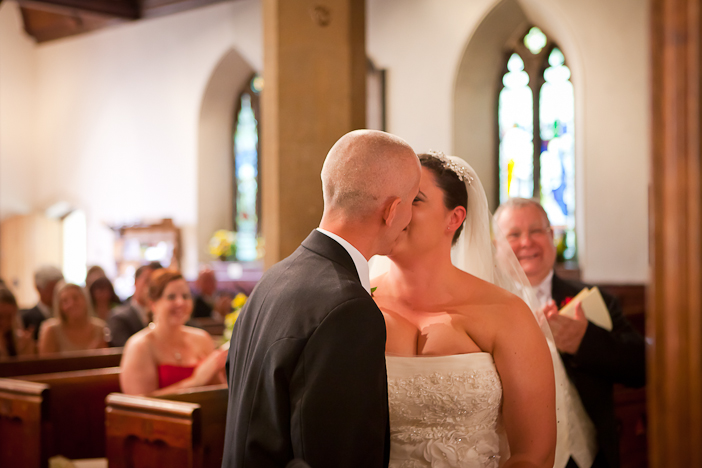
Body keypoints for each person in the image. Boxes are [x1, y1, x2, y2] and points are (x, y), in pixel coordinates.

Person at [221, 129, 421, 468]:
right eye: (413, 201)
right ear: (392, 210)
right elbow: (341, 454)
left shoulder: (273, 278)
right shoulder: (349, 309)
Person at [369, 152, 557, 468]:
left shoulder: (506, 313)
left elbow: (534, 455)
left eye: (414, 200)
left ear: (454, 218)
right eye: (391, 200)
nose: (394, 212)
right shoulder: (358, 304)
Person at [494, 198, 646, 468]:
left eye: (536, 231)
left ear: (552, 237)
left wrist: (584, 342)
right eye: (514, 235)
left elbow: (641, 366)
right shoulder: (486, 308)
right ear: (496, 246)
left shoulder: (594, 299)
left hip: (588, 457)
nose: (527, 242)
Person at [119, 269, 227, 396]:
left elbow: (217, 391)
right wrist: (194, 382)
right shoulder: (139, 346)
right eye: (171, 297)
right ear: (153, 304)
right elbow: (138, 402)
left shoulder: (202, 338)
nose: (180, 303)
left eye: (185, 296)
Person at [37, 282, 108, 354]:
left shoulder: (100, 328)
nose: (71, 304)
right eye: (65, 301)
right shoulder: (51, 331)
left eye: (75, 298)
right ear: (59, 306)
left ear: (85, 299)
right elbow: (45, 360)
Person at [107, 262, 162, 347]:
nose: (150, 287)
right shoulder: (119, 317)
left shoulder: (165, 315)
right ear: (136, 282)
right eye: (147, 281)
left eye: (155, 283)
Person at [20, 265, 64, 340]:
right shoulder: (26, 319)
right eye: (53, 289)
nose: (58, 294)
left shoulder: (67, 314)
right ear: (39, 289)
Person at [0, 288, 36, 357]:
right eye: (0, 316)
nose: (5, 322)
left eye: (9, 317)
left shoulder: (19, 339)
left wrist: (26, 348)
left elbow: (27, 363)